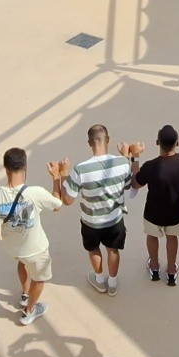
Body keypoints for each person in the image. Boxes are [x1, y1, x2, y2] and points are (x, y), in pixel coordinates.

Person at [0, 147, 69, 326]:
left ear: (5, 168)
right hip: (36, 249)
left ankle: (24, 292)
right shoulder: (35, 192)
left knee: (22, 262)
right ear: (25, 167)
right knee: (39, 278)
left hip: (14, 247)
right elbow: (57, 205)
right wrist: (56, 177)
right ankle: (29, 310)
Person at [53, 125, 141, 297]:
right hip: (114, 220)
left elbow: (68, 200)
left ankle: (100, 281)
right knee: (113, 250)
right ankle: (113, 283)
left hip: (90, 222)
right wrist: (130, 156)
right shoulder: (122, 163)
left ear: (89, 143)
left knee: (93, 249)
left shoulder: (80, 169)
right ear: (108, 140)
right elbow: (130, 190)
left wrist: (63, 174)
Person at [132, 125, 179, 286]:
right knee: (172, 237)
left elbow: (135, 183)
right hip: (177, 213)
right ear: (178, 143)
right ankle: (171, 271)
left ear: (157, 142)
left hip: (153, 214)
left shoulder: (151, 166)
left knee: (152, 236)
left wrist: (135, 157)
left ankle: (154, 266)